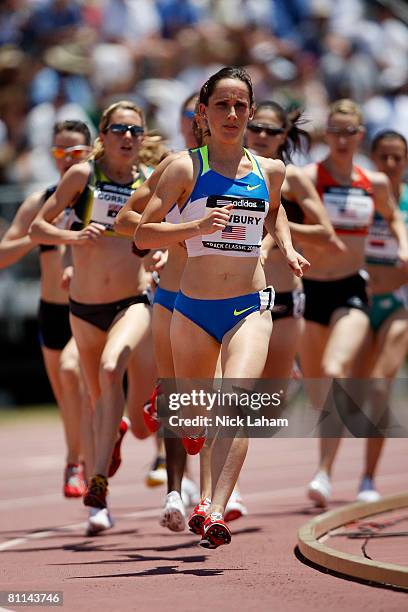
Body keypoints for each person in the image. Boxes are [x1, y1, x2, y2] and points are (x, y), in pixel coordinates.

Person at [134, 66, 309, 548]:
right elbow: (142, 233)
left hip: (249, 307)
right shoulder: (183, 167)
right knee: (195, 420)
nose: (231, 114)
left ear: (250, 113)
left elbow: (276, 212)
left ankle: (213, 509)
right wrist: (195, 228)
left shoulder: (270, 170)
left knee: (234, 404)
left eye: (240, 106)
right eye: (222, 105)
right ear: (204, 113)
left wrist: (287, 248)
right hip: (191, 310)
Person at [30, 101, 158, 535]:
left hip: (132, 301)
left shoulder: (148, 182)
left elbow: (162, 238)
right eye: (119, 129)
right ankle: (98, 496)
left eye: (135, 130)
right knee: (97, 399)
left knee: (110, 369)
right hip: (83, 309)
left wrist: (158, 252)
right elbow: (37, 229)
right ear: (103, 135)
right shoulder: (83, 176)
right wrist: (74, 236)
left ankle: (110, 469)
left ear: (143, 139)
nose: (127, 137)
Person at [299, 100, 408, 507]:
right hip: (312, 292)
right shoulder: (310, 177)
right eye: (336, 132)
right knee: (323, 394)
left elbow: (395, 217)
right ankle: (331, 459)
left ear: (359, 134)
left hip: (363, 293)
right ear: (326, 135)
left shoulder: (375, 184)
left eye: (350, 132)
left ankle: (340, 474)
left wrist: (405, 244)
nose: (343, 140)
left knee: (349, 375)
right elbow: (275, 215)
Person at [0, 119, 92, 498]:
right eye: (60, 153)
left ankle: (85, 464)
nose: (67, 160)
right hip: (52, 312)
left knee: (80, 379)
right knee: (67, 397)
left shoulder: (102, 198)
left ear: (89, 153)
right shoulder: (40, 202)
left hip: (90, 309)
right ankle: (81, 463)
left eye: (75, 153)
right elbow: (3, 254)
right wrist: (38, 233)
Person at [246, 100, 341, 385]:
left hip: (285, 299)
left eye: (271, 131)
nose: (262, 136)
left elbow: (326, 233)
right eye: (256, 128)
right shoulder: (230, 173)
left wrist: (280, 232)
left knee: (270, 403)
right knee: (236, 393)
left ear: (284, 135)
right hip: (239, 295)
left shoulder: (294, 178)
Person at [356, 130, 408, 501]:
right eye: (384, 157)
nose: (390, 164)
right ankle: (325, 473)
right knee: (351, 390)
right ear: (373, 159)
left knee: (378, 385)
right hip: (359, 302)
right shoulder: (358, 197)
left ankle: (368, 478)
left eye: (398, 158)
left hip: (398, 304)